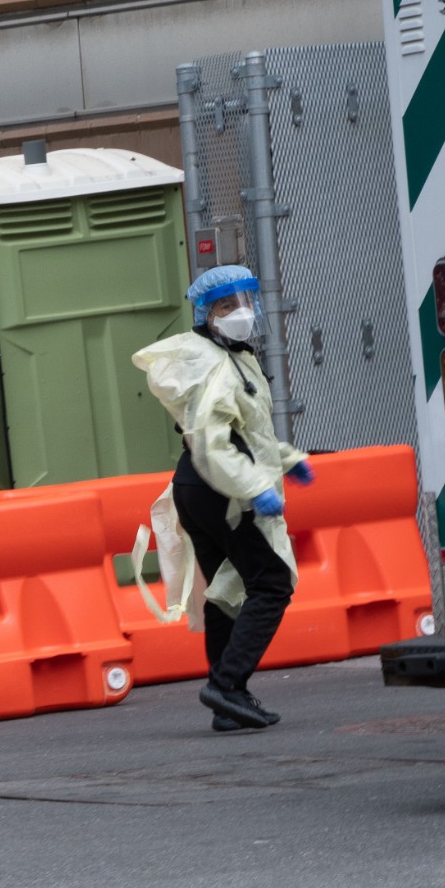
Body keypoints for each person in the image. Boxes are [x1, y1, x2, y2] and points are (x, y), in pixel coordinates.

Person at [132, 265, 313, 733]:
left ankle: (225, 703)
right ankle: (226, 685)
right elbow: (213, 444)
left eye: (246, 302)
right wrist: (254, 488)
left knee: (226, 593)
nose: (242, 313)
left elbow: (248, 429)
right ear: (206, 314)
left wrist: (286, 458)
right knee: (271, 583)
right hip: (219, 488)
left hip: (199, 488)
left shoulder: (231, 356)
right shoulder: (215, 365)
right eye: (228, 306)